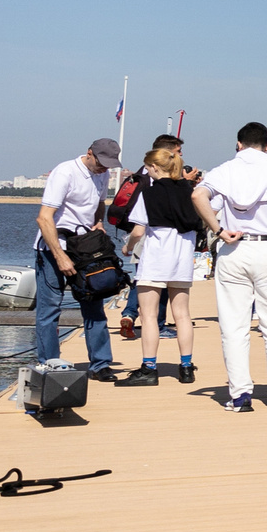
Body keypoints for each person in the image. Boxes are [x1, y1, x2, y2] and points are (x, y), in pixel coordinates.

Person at [193, 121, 267, 412]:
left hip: (233, 248)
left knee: (234, 326)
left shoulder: (224, 170)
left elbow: (198, 195)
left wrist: (218, 230)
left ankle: (240, 395)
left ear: (239, 144)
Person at [35, 137, 122, 375]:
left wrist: (99, 222)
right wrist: (60, 256)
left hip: (85, 249)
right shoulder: (65, 172)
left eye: (109, 164)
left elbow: (100, 202)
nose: (104, 168)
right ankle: (49, 364)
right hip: (54, 248)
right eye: (101, 163)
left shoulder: (103, 173)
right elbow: (44, 218)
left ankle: (101, 364)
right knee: (50, 309)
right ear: (89, 153)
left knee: (94, 303)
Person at [119, 143, 204, 381]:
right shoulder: (189, 192)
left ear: (155, 168)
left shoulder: (148, 194)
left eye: (148, 168)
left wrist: (127, 247)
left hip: (156, 259)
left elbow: (138, 231)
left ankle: (149, 368)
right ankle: (186, 367)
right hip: (182, 259)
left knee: (148, 315)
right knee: (182, 315)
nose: (147, 172)